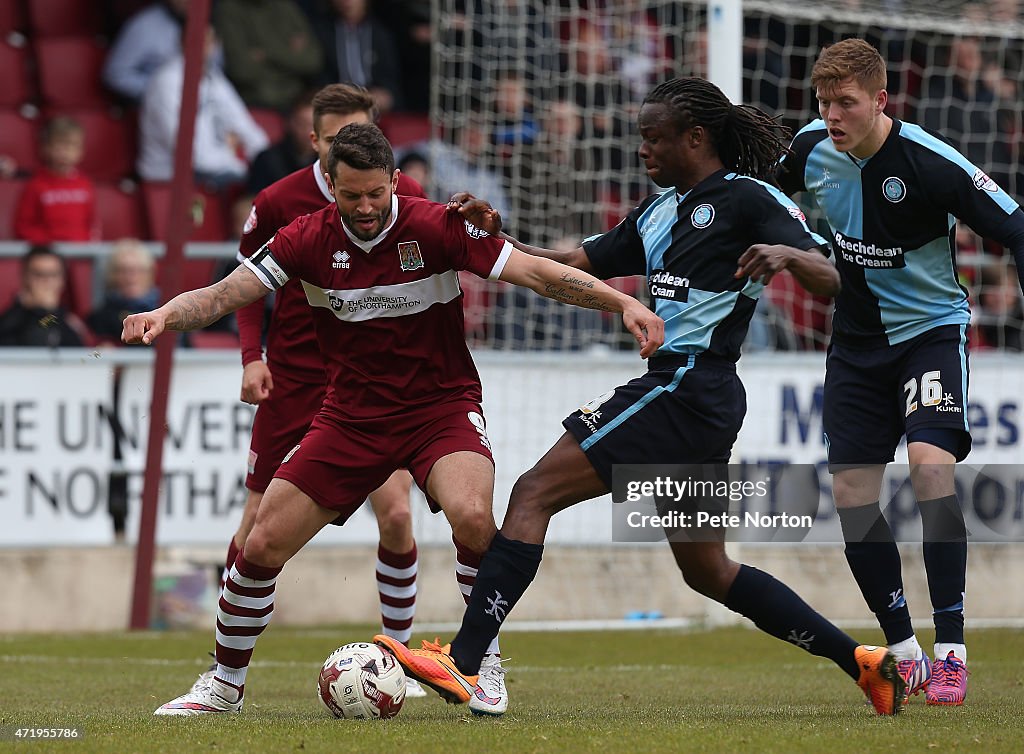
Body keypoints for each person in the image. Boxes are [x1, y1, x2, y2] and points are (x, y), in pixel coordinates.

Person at [374, 77, 908, 717]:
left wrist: (788, 257)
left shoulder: (749, 199)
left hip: (687, 386)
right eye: (641, 138)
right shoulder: (658, 210)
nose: (644, 150)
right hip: (694, 401)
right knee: (709, 571)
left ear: (697, 136)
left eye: (655, 138)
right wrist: (493, 241)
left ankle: (466, 667)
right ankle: (864, 663)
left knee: (533, 492)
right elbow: (571, 264)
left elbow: (835, 277)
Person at [125, 122, 661, 717]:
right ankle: (222, 688)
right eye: (351, 195)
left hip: (441, 407)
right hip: (351, 418)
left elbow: (538, 273)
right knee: (261, 542)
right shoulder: (305, 238)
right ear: (330, 184)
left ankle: (484, 666)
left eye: (376, 194)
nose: (365, 207)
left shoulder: (437, 226)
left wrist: (624, 301)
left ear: (395, 183)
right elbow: (225, 294)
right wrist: (163, 314)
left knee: (472, 515)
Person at [775, 38, 1024, 707]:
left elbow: (1016, 229)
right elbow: (764, 195)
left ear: (881, 100)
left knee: (929, 466)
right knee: (852, 492)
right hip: (855, 345)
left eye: (846, 103)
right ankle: (904, 651)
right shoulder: (809, 149)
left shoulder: (930, 161)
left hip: (929, 337)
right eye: (824, 102)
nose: (832, 115)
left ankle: (951, 653)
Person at [137, 25, 269, 190]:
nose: (204, 46)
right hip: (170, 177)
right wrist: (232, 157)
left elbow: (245, 126)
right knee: (256, 190)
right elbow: (193, 154)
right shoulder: (167, 82)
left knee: (272, 178)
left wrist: (265, 160)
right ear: (183, 42)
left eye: (209, 40)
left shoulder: (214, 77)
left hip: (217, 170)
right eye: (197, 40)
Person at [212, 0, 322, 112]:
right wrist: (290, 55)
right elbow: (242, 70)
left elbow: (312, 61)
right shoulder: (228, 9)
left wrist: (267, 54)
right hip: (256, 103)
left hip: (296, 99)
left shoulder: (284, 5)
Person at [13, 116, 96, 243]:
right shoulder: (35, 185)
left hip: (81, 252)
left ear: (81, 151)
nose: (65, 152)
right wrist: (49, 246)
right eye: (59, 146)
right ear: (46, 148)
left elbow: (92, 223)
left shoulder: (85, 184)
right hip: (49, 256)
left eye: (72, 146)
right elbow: (24, 227)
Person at [103, 0, 191, 104]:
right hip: (153, 104)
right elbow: (115, 74)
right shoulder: (145, 25)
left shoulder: (202, 26)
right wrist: (160, 88)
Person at [0, 245, 87, 347]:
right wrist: (44, 311)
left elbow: (80, 354)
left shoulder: (69, 320)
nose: (47, 281)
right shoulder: (11, 319)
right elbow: (35, 339)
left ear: (62, 280)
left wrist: (52, 313)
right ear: (24, 277)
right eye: (39, 274)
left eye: (53, 274)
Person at [87, 239, 161, 344]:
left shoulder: (167, 311)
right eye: (124, 271)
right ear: (113, 276)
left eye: (139, 270)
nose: (131, 277)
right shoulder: (101, 318)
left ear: (150, 274)